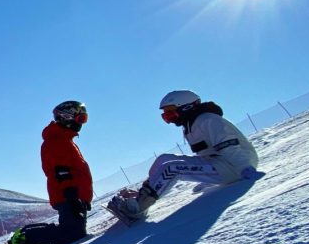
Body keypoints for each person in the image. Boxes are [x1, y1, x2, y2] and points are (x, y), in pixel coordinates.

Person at [108, 89, 261, 222]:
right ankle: (143, 195)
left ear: (186, 107)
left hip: (235, 166)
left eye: (171, 113)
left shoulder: (208, 120)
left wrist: (245, 168)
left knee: (173, 168)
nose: (169, 118)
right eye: (166, 115)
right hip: (219, 163)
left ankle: (138, 208)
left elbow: (229, 145)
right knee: (164, 159)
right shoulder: (191, 124)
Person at [4, 101, 93, 244]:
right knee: (72, 234)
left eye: (84, 119)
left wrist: (84, 197)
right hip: (68, 195)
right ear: (67, 117)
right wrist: (72, 195)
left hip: (74, 195)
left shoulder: (64, 139)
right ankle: (25, 238)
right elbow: (61, 171)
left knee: (75, 231)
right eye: (80, 119)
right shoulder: (57, 140)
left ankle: (26, 235)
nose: (82, 124)